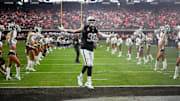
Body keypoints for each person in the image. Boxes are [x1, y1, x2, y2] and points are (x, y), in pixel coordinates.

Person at [58, 16, 111, 89]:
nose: (92, 22)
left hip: (91, 48)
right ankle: (89, 82)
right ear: (88, 21)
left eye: (93, 20)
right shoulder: (85, 28)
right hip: (84, 48)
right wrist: (64, 30)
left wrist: (108, 36)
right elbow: (75, 31)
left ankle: (80, 77)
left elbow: (100, 34)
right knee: (88, 64)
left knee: (90, 65)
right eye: (90, 20)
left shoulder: (94, 28)